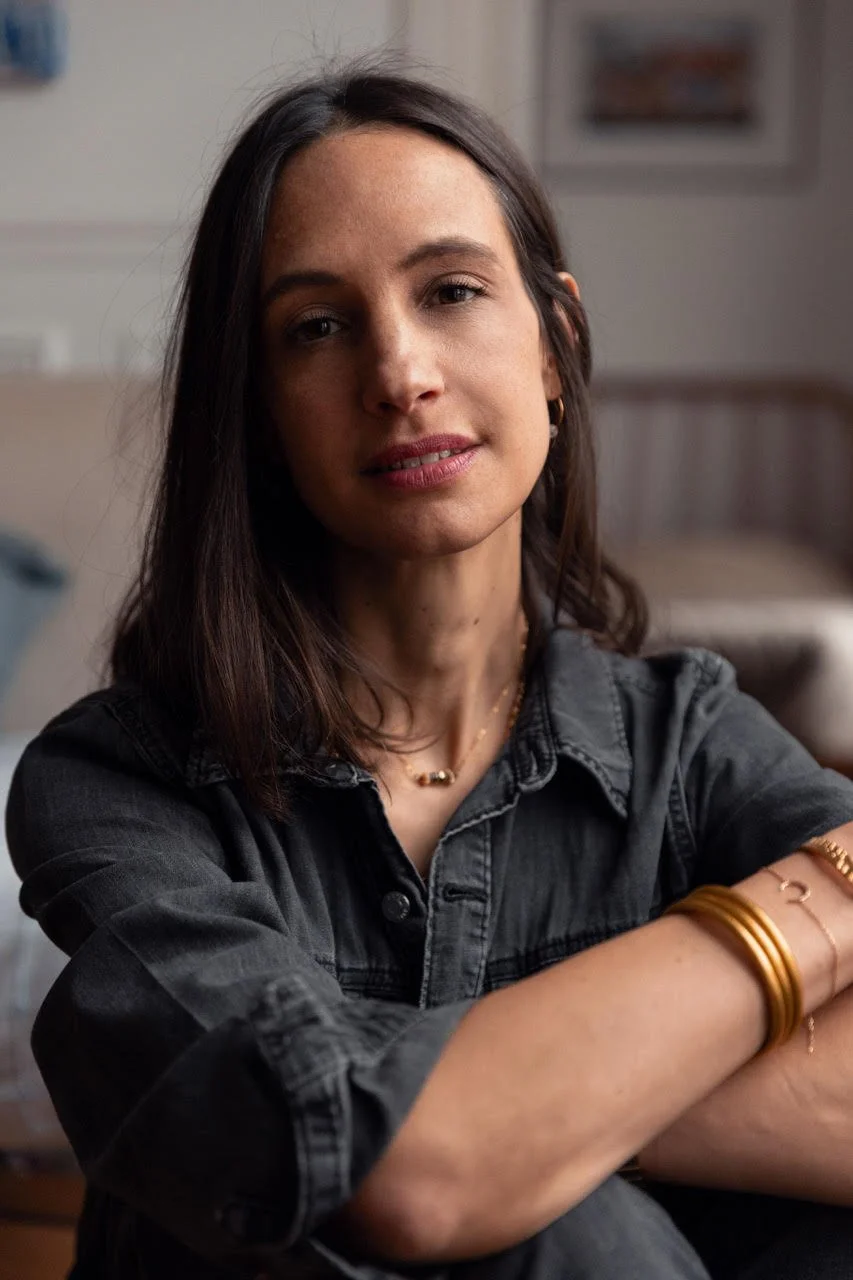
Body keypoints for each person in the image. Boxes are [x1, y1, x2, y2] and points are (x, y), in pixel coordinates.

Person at [6, 58, 853, 1280]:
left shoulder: (689, 736)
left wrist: (518, 1110)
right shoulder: (118, 783)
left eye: (451, 290)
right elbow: (403, 1173)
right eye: (319, 326)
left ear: (556, 341)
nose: (399, 374)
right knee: (568, 1227)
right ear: (259, 412)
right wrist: (814, 905)